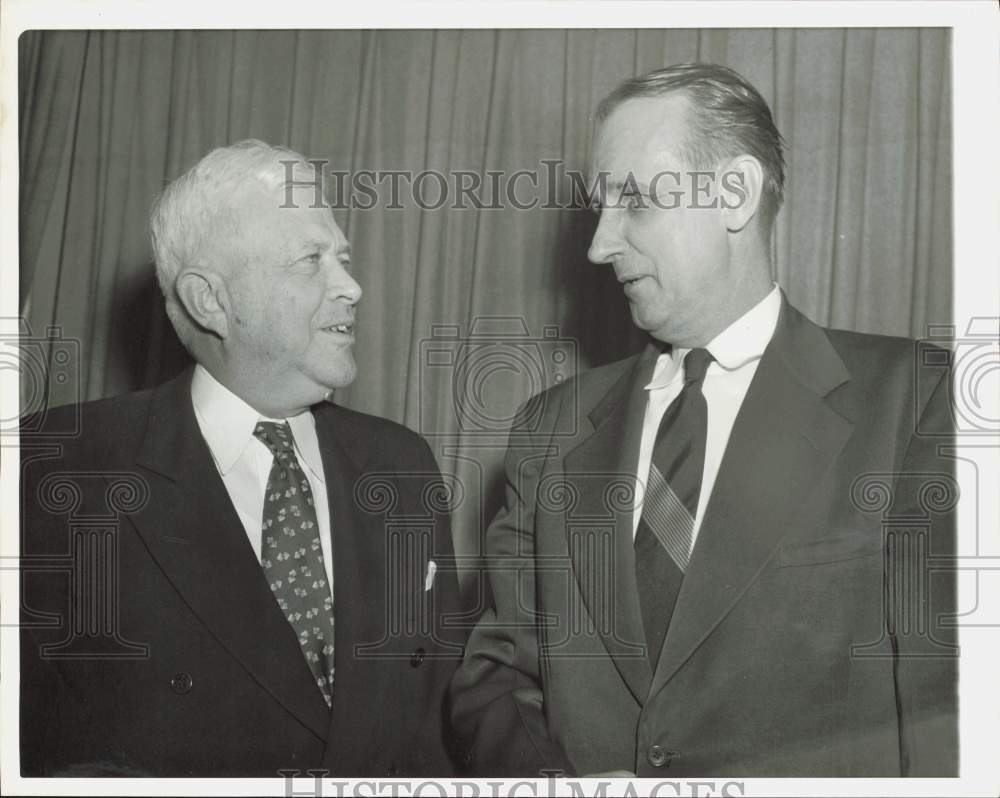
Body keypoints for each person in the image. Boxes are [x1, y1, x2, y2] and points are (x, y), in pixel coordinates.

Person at [450, 64, 957, 777]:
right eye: (601, 207)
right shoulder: (550, 429)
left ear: (735, 194)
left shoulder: (916, 401)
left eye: (634, 201)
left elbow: (949, 706)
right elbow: (496, 678)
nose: (600, 246)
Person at [20, 140, 463, 777]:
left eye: (342, 257)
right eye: (311, 260)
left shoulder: (402, 465)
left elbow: (434, 725)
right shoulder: (53, 468)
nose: (353, 286)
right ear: (211, 301)